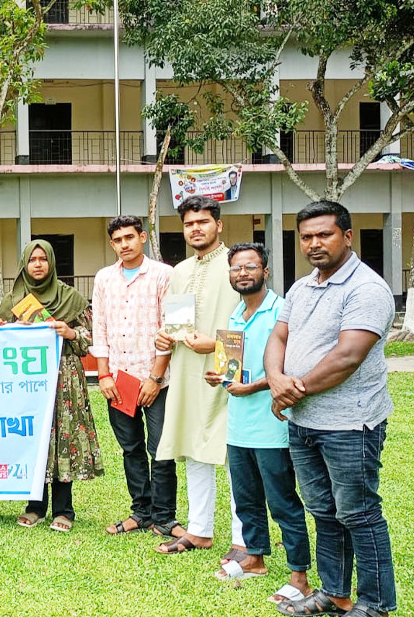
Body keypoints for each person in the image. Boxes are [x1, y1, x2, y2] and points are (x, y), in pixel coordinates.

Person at [266, 201, 397, 617]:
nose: (314, 243)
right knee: (323, 511)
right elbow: (278, 338)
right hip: (304, 423)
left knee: (358, 513)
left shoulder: (367, 289)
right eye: (306, 236)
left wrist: (292, 389)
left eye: (324, 234)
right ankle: (336, 594)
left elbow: (348, 356)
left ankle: (375, 604)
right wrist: (275, 379)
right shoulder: (302, 287)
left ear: (347, 236)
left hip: (350, 424)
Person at [201, 243, 310, 605]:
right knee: (246, 500)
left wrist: (255, 385)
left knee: (282, 503)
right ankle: (254, 559)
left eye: (250, 266)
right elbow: (230, 366)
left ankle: (299, 577)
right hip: (239, 426)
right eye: (236, 268)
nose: (242, 273)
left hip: (273, 426)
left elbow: (290, 368)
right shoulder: (235, 314)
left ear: (265, 271)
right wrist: (219, 376)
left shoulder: (282, 312)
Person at [153, 195, 245, 557]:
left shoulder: (238, 265)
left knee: (235, 455)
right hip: (189, 371)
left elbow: (250, 318)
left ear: (218, 225)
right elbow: (177, 325)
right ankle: (199, 530)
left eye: (202, 222)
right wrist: (166, 335)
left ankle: (243, 538)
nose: (196, 229)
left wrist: (218, 348)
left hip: (230, 370)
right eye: (189, 224)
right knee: (194, 449)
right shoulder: (179, 271)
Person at [0, 240, 103, 533]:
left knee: (62, 440)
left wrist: (69, 332)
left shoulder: (70, 298)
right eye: (32, 260)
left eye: (43, 259)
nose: (38, 264)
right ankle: (35, 507)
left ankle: (64, 510)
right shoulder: (13, 300)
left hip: (64, 376)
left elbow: (92, 338)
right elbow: (0, 342)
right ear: (24, 265)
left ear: (52, 262)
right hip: (28, 382)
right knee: (34, 439)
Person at [90, 216, 176, 537]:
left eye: (130, 237)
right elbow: (99, 327)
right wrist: (103, 375)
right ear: (112, 244)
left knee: (161, 449)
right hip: (118, 380)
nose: (124, 244)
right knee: (131, 449)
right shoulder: (103, 279)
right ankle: (141, 513)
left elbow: (170, 328)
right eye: (118, 240)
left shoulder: (163, 275)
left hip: (158, 380)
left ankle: (165, 517)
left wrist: (155, 378)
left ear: (142, 237)